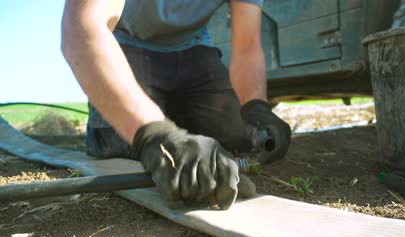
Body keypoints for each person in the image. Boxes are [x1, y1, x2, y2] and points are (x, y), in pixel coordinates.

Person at [61, 0, 291, 209]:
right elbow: (80, 28)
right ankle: (150, 127)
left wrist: (255, 107)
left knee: (239, 135)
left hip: (193, 47)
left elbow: (247, 45)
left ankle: (177, 128)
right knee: (126, 144)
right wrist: (152, 134)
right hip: (127, 43)